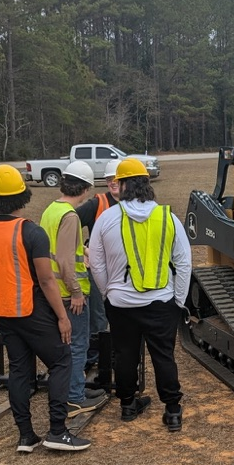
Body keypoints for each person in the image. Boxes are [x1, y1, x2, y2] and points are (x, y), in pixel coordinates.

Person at [0, 164, 90, 452]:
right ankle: (57, 431)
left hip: (3, 311)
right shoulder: (31, 231)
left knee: (19, 371)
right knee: (62, 360)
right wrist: (62, 318)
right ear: (23, 196)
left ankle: (26, 436)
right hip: (32, 309)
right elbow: (47, 280)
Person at [89, 157, 191, 432]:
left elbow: (96, 264)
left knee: (125, 355)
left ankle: (127, 405)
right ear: (147, 184)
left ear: (121, 185)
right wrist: (178, 301)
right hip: (161, 302)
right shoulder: (167, 217)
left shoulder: (107, 218)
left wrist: (107, 293)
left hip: (120, 304)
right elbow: (183, 262)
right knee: (164, 356)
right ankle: (172, 411)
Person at [40, 160, 107, 418]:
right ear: (85, 189)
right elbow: (66, 259)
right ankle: (75, 399)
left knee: (67, 346)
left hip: (54, 290)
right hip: (69, 294)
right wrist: (77, 292)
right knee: (77, 345)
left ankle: (74, 389)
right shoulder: (70, 216)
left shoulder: (51, 210)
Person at [78, 159, 120, 385]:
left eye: (117, 179)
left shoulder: (135, 202)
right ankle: (95, 357)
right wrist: (83, 249)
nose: (112, 183)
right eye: (109, 179)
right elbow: (70, 222)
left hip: (123, 270)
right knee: (98, 317)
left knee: (120, 314)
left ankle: (115, 353)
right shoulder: (98, 203)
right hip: (97, 270)